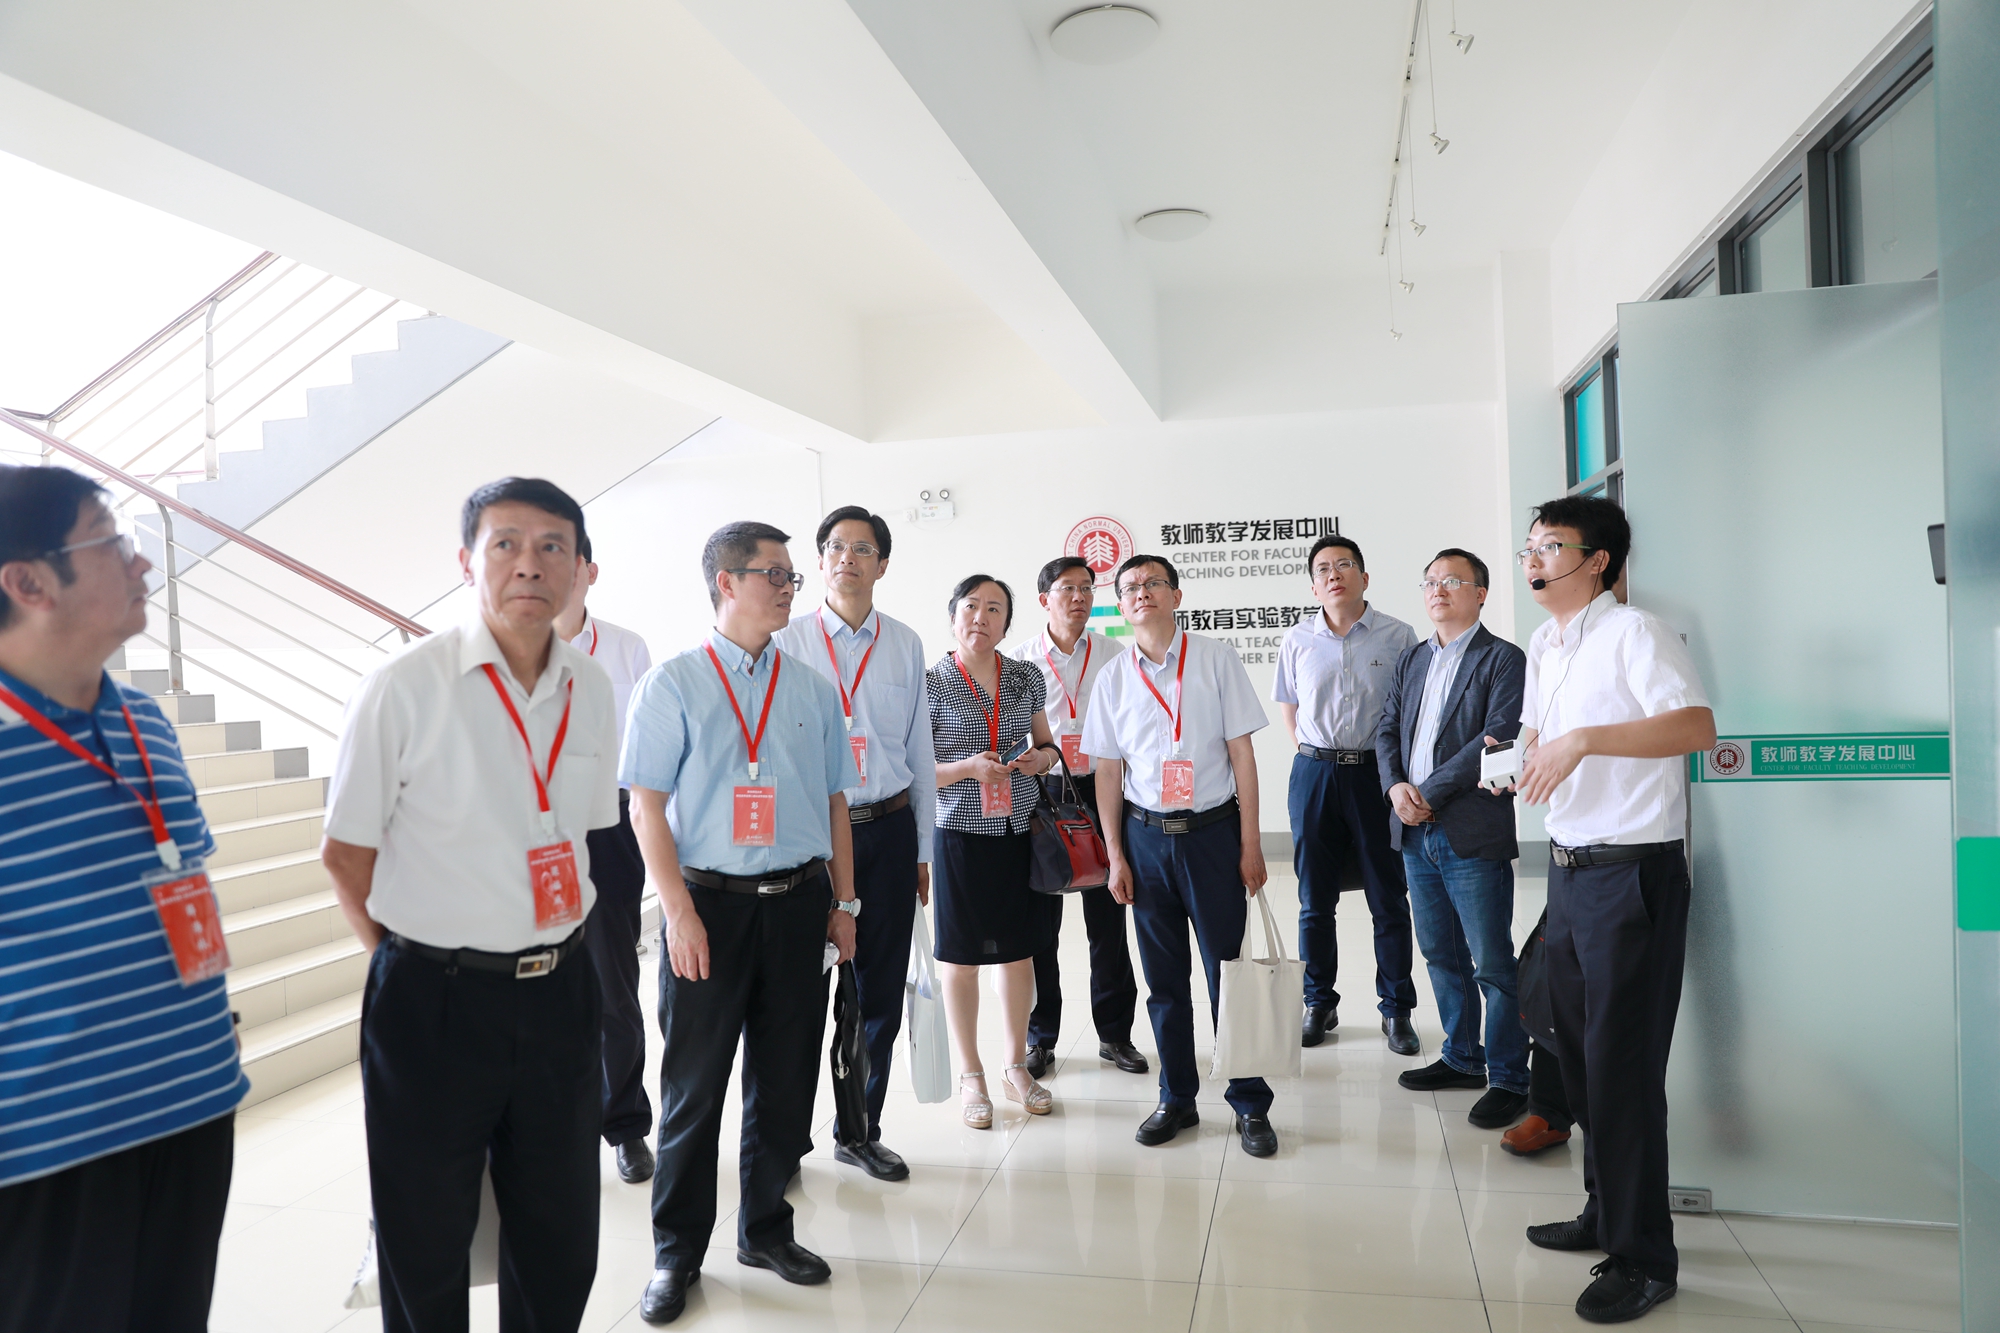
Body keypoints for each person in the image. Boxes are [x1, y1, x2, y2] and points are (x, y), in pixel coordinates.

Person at [322, 477, 621, 1332]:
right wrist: (415, 963)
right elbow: (345, 854)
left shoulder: (591, 686)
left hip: (561, 989)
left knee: (560, 1232)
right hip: (434, 998)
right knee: (424, 1235)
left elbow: (582, 831)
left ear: (579, 567)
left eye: (553, 546)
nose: (530, 564)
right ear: (467, 561)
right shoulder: (403, 685)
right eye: (506, 544)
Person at [0, 466, 246, 1333]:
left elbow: (179, 880)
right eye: (110, 542)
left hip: (192, 1102)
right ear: (28, 583)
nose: (141, 562)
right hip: (52, 1143)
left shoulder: (146, 720)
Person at [621, 521, 860, 1326]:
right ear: (726, 582)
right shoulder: (673, 682)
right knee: (694, 1088)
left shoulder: (812, 688)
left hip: (798, 904)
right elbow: (646, 807)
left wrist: (844, 904)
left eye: (792, 576)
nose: (790, 587)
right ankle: (676, 1253)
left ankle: (765, 1230)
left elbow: (836, 802)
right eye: (774, 573)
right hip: (709, 908)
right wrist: (678, 913)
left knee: (785, 1079)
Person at [1503, 495, 1715, 1324]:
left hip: (1632, 873)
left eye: (1551, 545)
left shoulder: (1635, 632)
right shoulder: (1545, 643)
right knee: (1578, 1055)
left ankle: (1645, 1257)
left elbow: (1695, 727)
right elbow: (1538, 735)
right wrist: (1511, 761)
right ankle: (1604, 1211)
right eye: (1529, 546)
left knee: (1623, 1069)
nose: (1534, 559)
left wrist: (1586, 739)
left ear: (1598, 560)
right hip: (1568, 870)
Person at [1083, 554, 1278, 1158]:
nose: (1141, 593)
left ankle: (1249, 1100)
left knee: (1228, 974)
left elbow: (1243, 757)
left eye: (1153, 584)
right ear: (1121, 604)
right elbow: (1108, 773)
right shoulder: (1113, 678)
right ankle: (1177, 1097)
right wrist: (1116, 856)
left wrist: (1250, 842)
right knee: (1163, 981)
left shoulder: (1216, 659)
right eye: (1130, 587)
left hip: (1212, 836)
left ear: (1176, 595)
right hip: (1144, 839)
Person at [775, 505, 935, 1181]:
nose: (847, 557)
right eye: (836, 547)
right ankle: (784, 1141)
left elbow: (920, 755)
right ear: (820, 562)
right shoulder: (785, 641)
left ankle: (859, 1129)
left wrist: (922, 851)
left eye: (862, 548)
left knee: (877, 991)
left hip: (889, 832)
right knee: (796, 997)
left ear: (882, 565)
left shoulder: (904, 643)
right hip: (811, 839)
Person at [1376, 548, 1530, 1129]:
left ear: (1480, 593)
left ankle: (1510, 1076)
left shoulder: (1503, 658)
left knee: (1491, 961)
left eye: (1452, 581)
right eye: (1430, 582)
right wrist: (1396, 788)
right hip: (1415, 833)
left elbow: (1497, 736)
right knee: (1441, 953)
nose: (1437, 590)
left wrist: (1426, 793)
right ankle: (1463, 1056)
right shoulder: (1413, 658)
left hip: (1470, 830)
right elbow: (1386, 729)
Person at [1272, 534, 1420, 1054]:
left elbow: (1408, 711)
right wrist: (1313, 756)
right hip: (1315, 773)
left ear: (1364, 576)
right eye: (1322, 569)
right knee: (1314, 900)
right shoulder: (1297, 639)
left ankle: (1397, 1009)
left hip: (1377, 775)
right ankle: (1319, 1003)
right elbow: (1289, 708)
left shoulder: (1398, 636)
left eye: (1343, 565)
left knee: (1388, 897)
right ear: (1313, 585)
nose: (1333, 574)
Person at [926, 574, 1061, 1129]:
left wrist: (1040, 760)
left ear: (1007, 623)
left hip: (1018, 830)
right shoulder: (931, 683)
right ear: (953, 616)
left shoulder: (1026, 675)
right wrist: (968, 768)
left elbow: (1047, 744)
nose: (981, 617)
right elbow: (918, 770)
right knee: (960, 959)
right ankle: (971, 1075)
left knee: (1019, 953)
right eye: (971, 606)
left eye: (994, 609)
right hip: (959, 836)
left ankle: (1014, 1066)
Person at [1010, 556, 1145, 1079]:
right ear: (1044, 599)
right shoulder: (1020, 661)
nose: (1079, 597)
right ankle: (1040, 1038)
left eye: (1087, 588)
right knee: (1040, 927)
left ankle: (1115, 1035)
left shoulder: (1113, 654)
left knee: (1108, 921)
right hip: (1041, 794)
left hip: (1101, 789)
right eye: (1067, 588)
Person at [554, 532, 657, 1185]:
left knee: (613, 986)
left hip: (609, 825)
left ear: (589, 571)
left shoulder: (626, 649)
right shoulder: (510, 649)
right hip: (533, 829)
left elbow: (647, 752)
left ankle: (624, 1125)